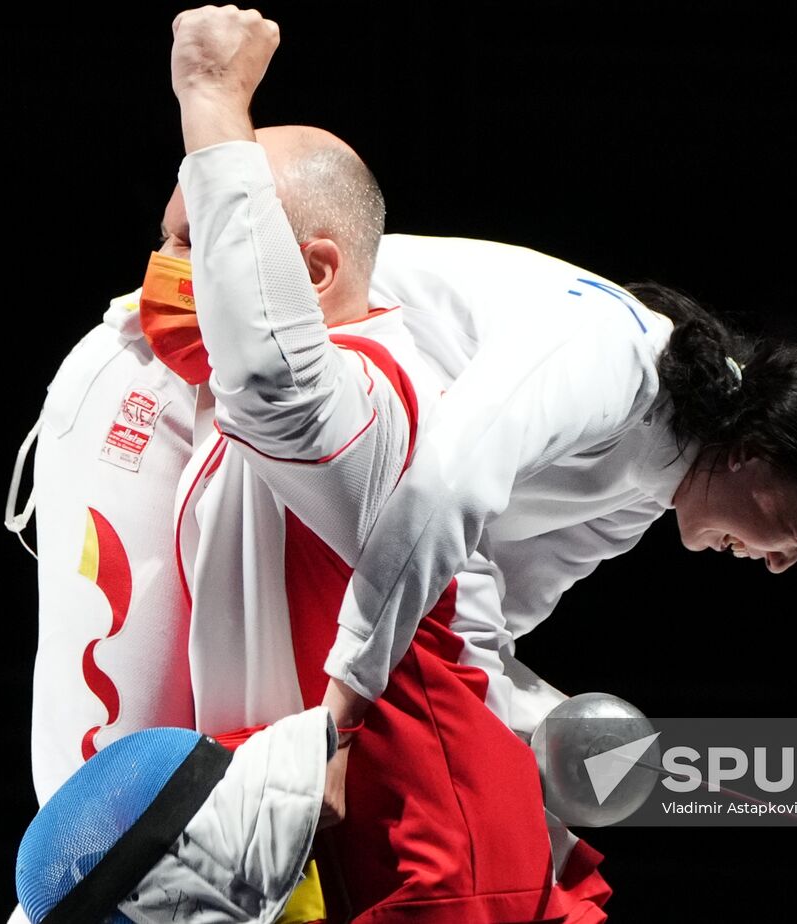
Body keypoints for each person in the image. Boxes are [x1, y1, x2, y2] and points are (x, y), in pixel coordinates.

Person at [159, 9, 603, 921]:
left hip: (434, 863)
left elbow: (268, 369)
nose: (161, 274)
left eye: (193, 243)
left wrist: (214, 99)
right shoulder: (264, 409)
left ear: (312, 274)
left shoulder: (366, 397)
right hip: (362, 842)